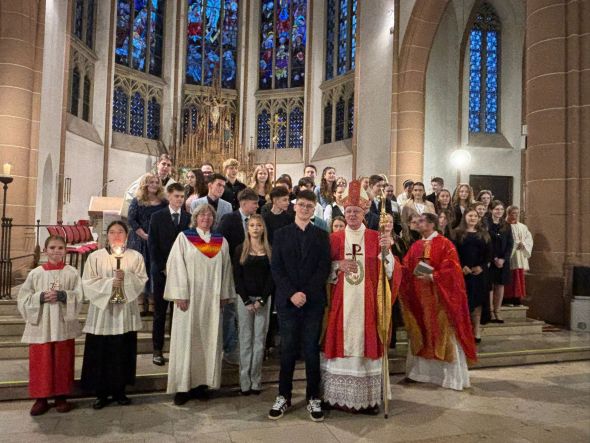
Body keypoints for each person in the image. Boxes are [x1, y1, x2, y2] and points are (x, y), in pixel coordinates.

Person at [322, 181, 402, 414]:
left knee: (367, 340)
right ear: (343, 213)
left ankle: (368, 399)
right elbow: (323, 271)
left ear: (365, 212)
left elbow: (391, 272)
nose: (352, 215)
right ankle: (337, 397)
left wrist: (387, 252)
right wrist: (337, 265)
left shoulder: (376, 237)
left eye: (357, 211)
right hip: (341, 302)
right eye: (348, 211)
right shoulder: (334, 239)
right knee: (341, 339)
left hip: (368, 302)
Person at [268, 190, 331, 422]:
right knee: (288, 349)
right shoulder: (281, 234)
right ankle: (283, 396)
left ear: (314, 209)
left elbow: (323, 269)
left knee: (311, 350)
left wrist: (306, 293)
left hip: (313, 302)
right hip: (288, 301)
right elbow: (277, 268)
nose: (305, 209)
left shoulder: (321, 235)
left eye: (309, 206)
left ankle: (313, 397)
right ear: (295, 207)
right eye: (302, 205)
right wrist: (293, 293)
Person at [164, 204, 235, 405]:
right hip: (189, 300)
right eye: (202, 214)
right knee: (187, 340)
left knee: (208, 339)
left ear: (214, 219)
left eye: (209, 215)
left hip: (212, 301)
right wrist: (180, 294)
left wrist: (223, 294)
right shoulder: (185, 238)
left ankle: (202, 385)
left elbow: (226, 269)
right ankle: (182, 387)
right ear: (195, 218)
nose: (205, 217)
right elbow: (175, 266)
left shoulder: (220, 242)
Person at [400, 213, 477, 391]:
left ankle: (449, 378)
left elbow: (453, 270)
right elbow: (407, 267)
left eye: (422, 221)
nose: (418, 224)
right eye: (417, 221)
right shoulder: (416, 245)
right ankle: (420, 373)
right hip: (420, 300)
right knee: (423, 332)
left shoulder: (445, 244)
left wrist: (434, 276)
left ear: (432, 224)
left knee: (442, 333)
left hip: (440, 299)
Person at [81, 221, 148, 409]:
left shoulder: (135, 257)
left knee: (122, 350)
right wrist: (111, 282)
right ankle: (100, 393)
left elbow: (141, 279)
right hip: (103, 312)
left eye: (120, 232)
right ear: (106, 235)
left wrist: (125, 280)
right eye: (112, 232)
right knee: (101, 351)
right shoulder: (95, 257)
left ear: (127, 235)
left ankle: (120, 390)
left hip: (124, 311)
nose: (116, 235)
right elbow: (88, 282)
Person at [18, 235, 83, 416]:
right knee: (41, 361)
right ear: (46, 251)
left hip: (62, 323)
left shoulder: (72, 272)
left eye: (60, 248)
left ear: (65, 251)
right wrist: (39, 297)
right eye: (52, 247)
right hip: (42, 325)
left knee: (62, 360)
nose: (56, 251)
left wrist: (63, 296)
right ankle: (41, 398)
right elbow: (23, 298)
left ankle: (61, 396)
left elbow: (79, 295)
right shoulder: (36, 273)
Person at [147, 183, 191, 366]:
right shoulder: (157, 217)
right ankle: (157, 349)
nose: (179, 199)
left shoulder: (188, 218)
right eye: (176, 196)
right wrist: (164, 267)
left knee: (179, 312)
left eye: (182, 196)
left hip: (183, 272)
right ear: (169, 196)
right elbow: (153, 244)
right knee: (160, 311)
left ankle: (177, 348)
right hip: (162, 271)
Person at [217, 188, 260, 365]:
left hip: (250, 276)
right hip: (231, 271)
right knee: (229, 312)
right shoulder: (229, 219)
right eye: (254, 203)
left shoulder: (257, 222)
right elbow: (220, 244)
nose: (257, 206)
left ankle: (244, 349)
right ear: (243, 203)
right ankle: (228, 349)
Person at [233, 215, 274, 395]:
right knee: (245, 340)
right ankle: (244, 381)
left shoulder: (269, 250)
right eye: (252, 225)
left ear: (263, 228)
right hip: (245, 300)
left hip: (263, 300)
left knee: (259, 341)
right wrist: (247, 301)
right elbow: (237, 277)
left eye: (258, 225)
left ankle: (256, 380)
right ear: (247, 229)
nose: (255, 228)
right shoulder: (240, 249)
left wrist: (262, 300)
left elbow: (272, 278)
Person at [127, 172, 167, 315]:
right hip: (138, 240)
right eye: (151, 182)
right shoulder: (137, 200)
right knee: (139, 269)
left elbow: (166, 219)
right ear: (145, 184)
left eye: (157, 182)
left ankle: (151, 301)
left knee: (153, 269)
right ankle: (139, 300)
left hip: (155, 240)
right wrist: (143, 234)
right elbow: (131, 219)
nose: (154, 185)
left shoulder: (163, 202)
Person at [453, 208, 493, 343]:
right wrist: (461, 265)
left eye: (475, 216)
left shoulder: (484, 234)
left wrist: (481, 267)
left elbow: (489, 254)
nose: (473, 218)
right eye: (470, 215)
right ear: (465, 217)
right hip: (462, 273)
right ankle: (463, 330)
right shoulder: (457, 233)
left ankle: (476, 330)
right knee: (464, 302)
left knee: (477, 302)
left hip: (479, 273)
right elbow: (454, 253)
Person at [486, 200, 514, 322]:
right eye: (497, 209)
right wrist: (494, 258)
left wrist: (503, 259)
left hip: (503, 261)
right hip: (490, 259)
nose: (499, 212)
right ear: (491, 210)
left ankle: (498, 311)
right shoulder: (486, 224)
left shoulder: (506, 225)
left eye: (501, 210)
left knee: (500, 285)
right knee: (490, 285)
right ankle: (490, 311)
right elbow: (486, 242)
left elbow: (510, 244)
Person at [122, 154, 175, 218]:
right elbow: (130, 195)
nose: (166, 167)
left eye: (168, 165)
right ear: (158, 164)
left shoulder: (173, 184)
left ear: (171, 168)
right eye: (163, 164)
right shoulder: (145, 178)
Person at [504, 206, 533, 305]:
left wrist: (523, 244)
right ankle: (507, 299)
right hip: (510, 257)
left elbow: (528, 239)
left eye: (517, 213)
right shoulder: (504, 226)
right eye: (513, 213)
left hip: (519, 255)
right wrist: (516, 243)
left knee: (518, 278)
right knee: (510, 278)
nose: (515, 215)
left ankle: (517, 299)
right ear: (508, 214)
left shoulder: (523, 227)